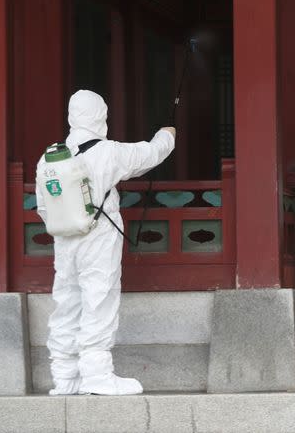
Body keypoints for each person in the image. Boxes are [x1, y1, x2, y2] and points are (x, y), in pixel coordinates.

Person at [36, 90, 176, 396]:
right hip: (98, 235)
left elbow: (43, 207)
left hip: (64, 239)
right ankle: (97, 375)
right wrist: (167, 135)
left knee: (67, 301)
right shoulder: (108, 152)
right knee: (99, 297)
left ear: (71, 116)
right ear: (101, 115)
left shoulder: (48, 158)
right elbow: (148, 155)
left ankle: (65, 376)